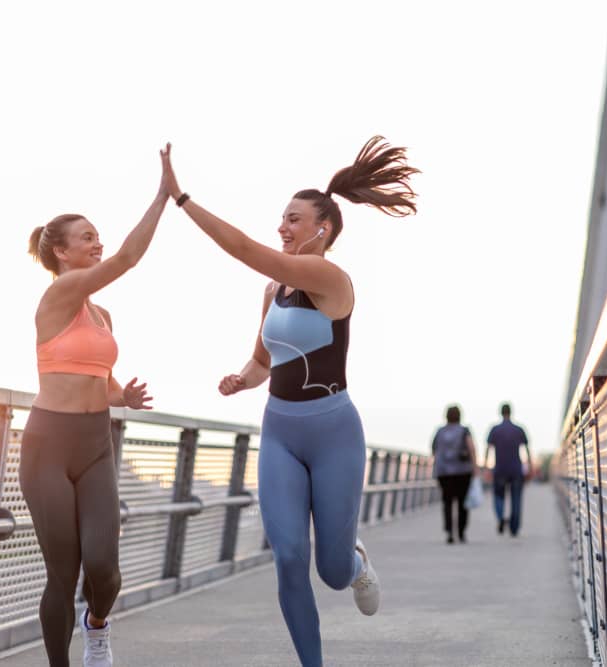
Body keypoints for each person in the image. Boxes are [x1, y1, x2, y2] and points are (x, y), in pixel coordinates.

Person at [159, 137, 418, 667]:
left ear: (322, 229)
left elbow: (243, 249)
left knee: (331, 571)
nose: (283, 227)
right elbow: (262, 360)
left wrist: (181, 199)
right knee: (289, 558)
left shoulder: (330, 279)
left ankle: (355, 559)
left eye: (294, 220)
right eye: (282, 218)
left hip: (333, 433)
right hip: (280, 430)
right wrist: (241, 377)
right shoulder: (272, 288)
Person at [20, 151, 169, 667]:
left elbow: (97, 380)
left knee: (104, 569)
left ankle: (98, 626)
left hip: (96, 443)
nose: (97, 242)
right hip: (49, 446)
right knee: (62, 573)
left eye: (96, 235)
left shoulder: (100, 312)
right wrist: (162, 196)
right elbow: (127, 259)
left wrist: (120, 396)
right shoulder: (59, 294)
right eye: (87, 237)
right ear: (61, 253)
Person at [432, 405, 478, 544]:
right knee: (462, 503)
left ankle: (449, 532)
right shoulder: (464, 430)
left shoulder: (440, 431)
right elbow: (471, 448)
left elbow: (434, 450)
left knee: (447, 502)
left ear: (446, 416)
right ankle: (461, 532)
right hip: (462, 471)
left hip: (444, 472)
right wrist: (475, 467)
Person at [484, 403, 532, 537]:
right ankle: (514, 528)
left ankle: (500, 518)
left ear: (501, 413)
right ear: (511, 413)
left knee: (498, 496)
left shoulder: (494, 430)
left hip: (499, 468)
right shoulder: (518, 429)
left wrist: (487, 468)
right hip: (516, 469)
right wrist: (530, 467)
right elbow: (527, 450)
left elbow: (488, 449)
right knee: (516, 499)